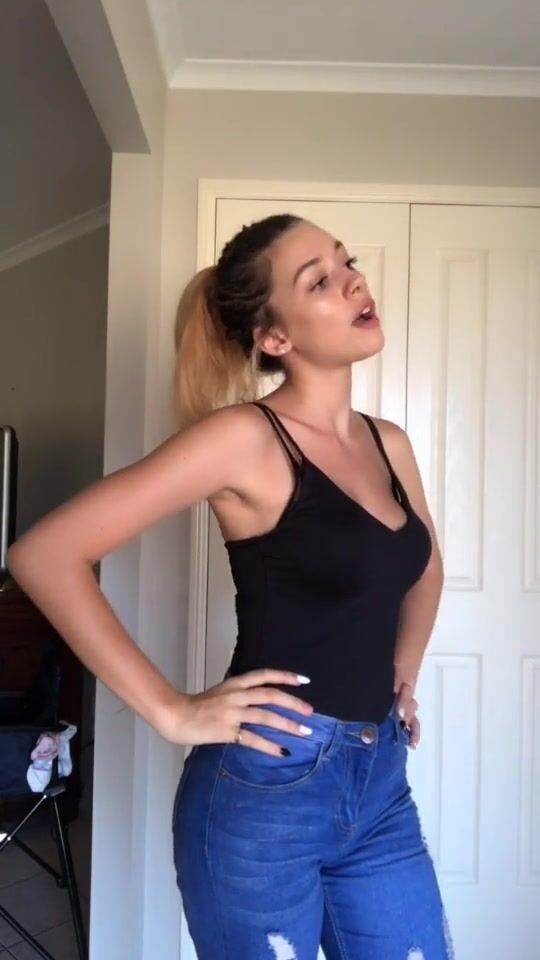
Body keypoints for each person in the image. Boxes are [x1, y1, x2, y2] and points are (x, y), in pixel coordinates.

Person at [7, 213, 455, 959]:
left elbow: (426, 565)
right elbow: (45, 555)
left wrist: (402, 667)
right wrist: (172, 710)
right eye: (319, 280)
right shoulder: (245, 439)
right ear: (274, 337)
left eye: (345, 261)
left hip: (379, 783)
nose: (354, 281)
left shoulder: (389, 443)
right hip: (265, 792)